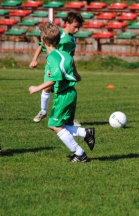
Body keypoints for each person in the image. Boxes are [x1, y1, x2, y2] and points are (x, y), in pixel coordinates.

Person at [29, 22, 95, 162]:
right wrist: (76, 74)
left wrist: (37, 88)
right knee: (62, 126)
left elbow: (55, 78)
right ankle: (86, 133)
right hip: (71, 93)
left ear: (43, 41)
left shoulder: (52, 57)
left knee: (54, 125)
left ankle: (80, 154)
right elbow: (69, 65)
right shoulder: (64, 53)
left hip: (63, 95)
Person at [30, 11, 83, 126]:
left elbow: (71, 58)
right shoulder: (59, 36)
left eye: (78, 27)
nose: (77, 30)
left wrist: (75, 72)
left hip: (65, 69)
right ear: (67, 23)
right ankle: (43, 111)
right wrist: (34, 59)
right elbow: (42, 45)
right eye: (75, 27)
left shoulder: (73, 39)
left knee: (65, 91)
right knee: (47, 88)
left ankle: (69, 117)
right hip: (52, 66)